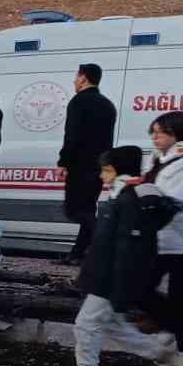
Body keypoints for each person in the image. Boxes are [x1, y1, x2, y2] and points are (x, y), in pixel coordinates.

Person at [49, 146, 180, 366]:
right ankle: (161, 353)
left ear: (119, 170)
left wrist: (120, 289)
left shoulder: (128, 200)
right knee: (111, 325)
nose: (101, 175)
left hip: (110, 279)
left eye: (106, 170)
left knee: (86, 325)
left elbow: (125, 250)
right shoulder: (123, 195)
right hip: (104, 275)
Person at [142, 110, 183, 366]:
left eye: (161, 132)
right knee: (141, 289)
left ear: (179, 134)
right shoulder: (159, 160)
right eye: (154, 132)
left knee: (181, 298)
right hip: (160, 240)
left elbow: (175, 201)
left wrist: (146, 200)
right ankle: (177, 337)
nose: (155, 137)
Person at [56, 63, 117, 264]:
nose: (74, 80)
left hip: (80, 165)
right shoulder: (108, 104)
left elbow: (71, 135)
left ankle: (107, 236)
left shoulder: (79, 101)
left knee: (74, 210)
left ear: (83, 78)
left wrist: (63, 161)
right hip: (98, 166)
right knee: (88, 208)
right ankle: (78, 253)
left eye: (76, 76)